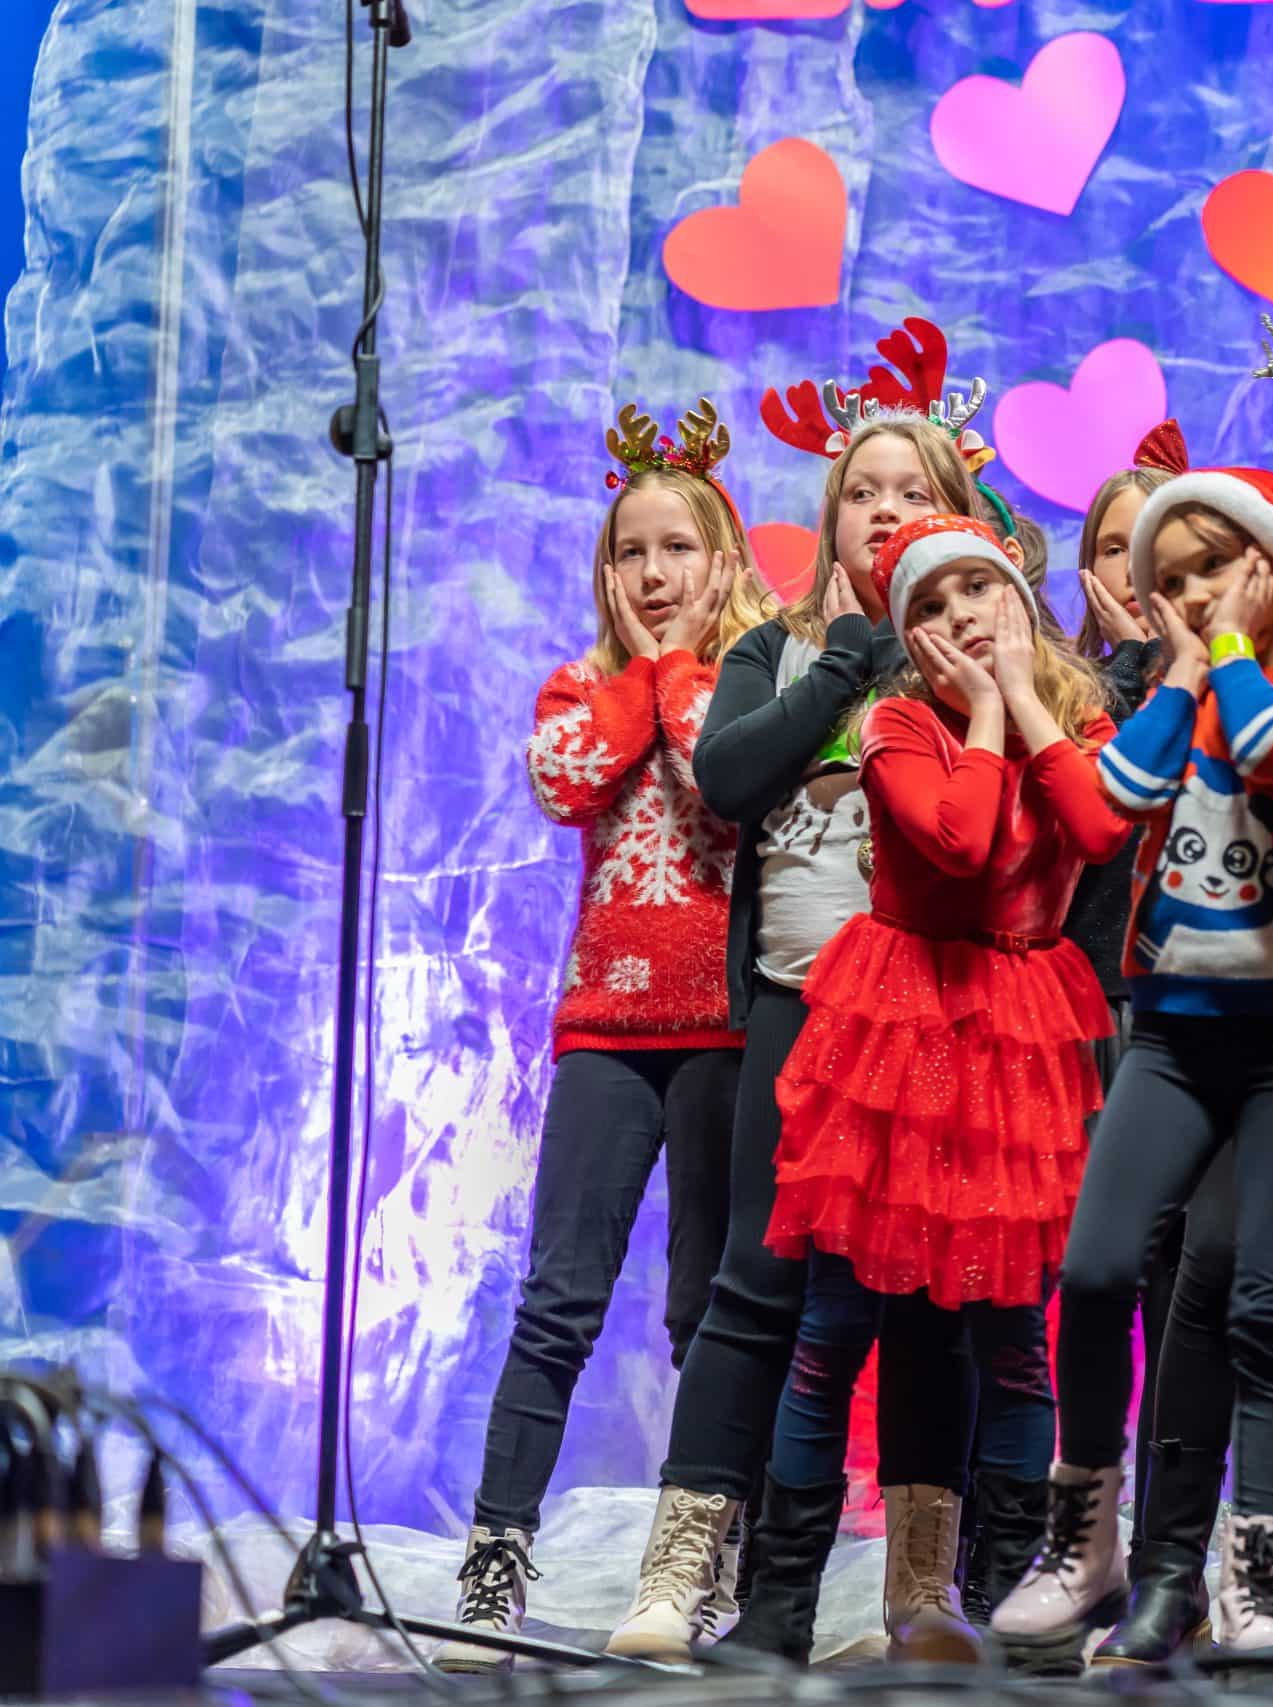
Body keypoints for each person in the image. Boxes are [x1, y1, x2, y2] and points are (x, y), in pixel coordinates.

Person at [609, 377, 997, 1663]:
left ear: (958, 506)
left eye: (911, 491)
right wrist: (839, 659)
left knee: (924, 1299)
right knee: (756, 1287)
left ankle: (922, 1591)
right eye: (859, 493)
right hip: (796, 1007)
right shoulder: (775, 652)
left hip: (937, 1014)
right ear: (827, 519)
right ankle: (686, 1576)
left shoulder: (981, 637)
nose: (882, 511)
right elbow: (726, 777)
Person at [991, 468, 1273, 1661]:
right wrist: (1178, 671)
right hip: (1168, 1041)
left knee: (1268, 1302)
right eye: (1169, 580)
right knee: (1095, 1271)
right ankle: (1086, 1542)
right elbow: (1108, 805)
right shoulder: (1182, 693)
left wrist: (1222, 647)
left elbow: (1272, 747)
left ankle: (1253, 1579)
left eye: (1214, 567)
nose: (1190, 593)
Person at [725, 512, 1124, 1664]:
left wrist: (1028, 704)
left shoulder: (1078, 718)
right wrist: (991, 712)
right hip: (900, 1030)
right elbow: (958, 840)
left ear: (1019, 598)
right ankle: (778, 1605)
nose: (959, 619)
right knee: (831, 1327)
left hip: (1012, 1038)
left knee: (1014, 1338)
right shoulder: (895, 720)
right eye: (932, 607)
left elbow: (1098, 828)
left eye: (977, 592)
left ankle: (1009, 1603)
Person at [438, 401, 771, 1672]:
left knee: (706, 1307)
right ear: (605, 571)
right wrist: (646, 674)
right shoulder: (581, 688)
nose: (653, 572)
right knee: (558, 1298)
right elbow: (569, 779)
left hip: (727, 1033)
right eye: (631, 552)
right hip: (607, 1028)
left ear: (722, 559)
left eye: (678, 548)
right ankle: (493, 1561)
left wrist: (686, 673)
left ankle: (711, 1553)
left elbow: (728, 791)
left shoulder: (752, 685)